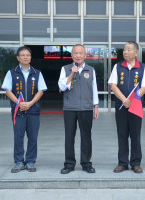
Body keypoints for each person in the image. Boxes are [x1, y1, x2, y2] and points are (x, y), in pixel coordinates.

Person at [1, 46, 47, 173]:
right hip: (18, 111)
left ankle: (31, 161)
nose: (25, 57)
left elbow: (41, 90)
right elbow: (7, 90)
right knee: (18, 137)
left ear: (31, 58)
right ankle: (19, 162)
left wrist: (30, 103)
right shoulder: (12, 72)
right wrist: (19, 103)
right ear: (18, 58)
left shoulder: (37, 73)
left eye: (28, 55)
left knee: (33, 137)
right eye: (22, 55)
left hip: (33, 111)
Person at [108, 41, 145, 173]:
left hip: (136, 106)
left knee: (135, 135)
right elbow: (113, 85)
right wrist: (124, 100)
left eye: (129, 49)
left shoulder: (142, 67)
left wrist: (133, 100)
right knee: (122, 134)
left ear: (136, 52)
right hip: (121, 106)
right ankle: (122, 163)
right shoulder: (118, 66)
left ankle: (136, 163)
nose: (125, 52)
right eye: (124, 49)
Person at [58, 44, 99, 174]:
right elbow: (62, 87)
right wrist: (71, 73)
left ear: (85, 55)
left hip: (86, 108)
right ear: (72, 55)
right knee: (69, 136)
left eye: (80, 53)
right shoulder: (65, 69)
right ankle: (69, 164)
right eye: (75, 53)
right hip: (70, 108)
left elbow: (94, 89)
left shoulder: (90, 70)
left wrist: (95, 106)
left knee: (86, 136)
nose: (78, 55)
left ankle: (86, 163)